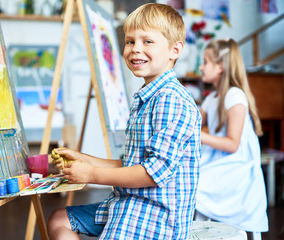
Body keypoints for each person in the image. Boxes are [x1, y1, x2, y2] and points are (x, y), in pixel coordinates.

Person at [47, 3, 202, 240]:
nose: (135, 49)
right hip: (129, 204)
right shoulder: (148, 97)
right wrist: (86, 159)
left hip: (153, 219)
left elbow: (152, 173)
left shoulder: (170, 99)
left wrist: (91, 175)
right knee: (60, 219)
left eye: (147, 41)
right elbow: (132, 163)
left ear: (175, 50)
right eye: (130, 41)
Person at [195, 38, 268, 239]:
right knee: (190, 177)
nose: (200, 67)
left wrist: (200, 135)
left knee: (195, 183)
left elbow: (233, 144)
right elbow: (194, 122)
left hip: (236, 166)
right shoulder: (212, 98)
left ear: (220, 66)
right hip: (221, 161)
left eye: (205, 62)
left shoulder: (235, 95)